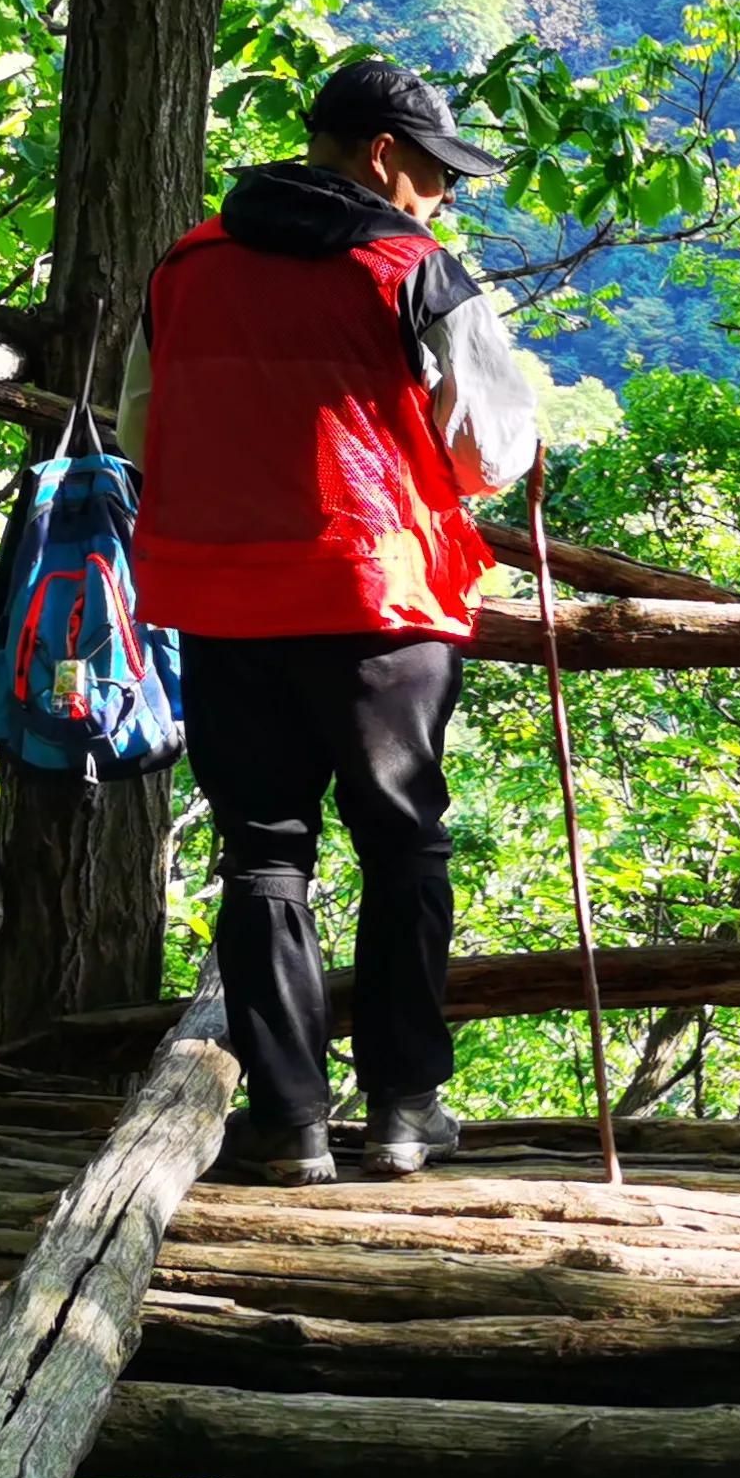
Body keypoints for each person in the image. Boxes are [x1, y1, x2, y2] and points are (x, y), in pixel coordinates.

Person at [121, 57, 538, 1186]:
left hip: (220, 601)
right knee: (402, 843)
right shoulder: (413, 269)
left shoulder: (186, 266)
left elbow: (139, 427)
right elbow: (491, 450)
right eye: (438, 174)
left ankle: (292, 1122)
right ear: (383, 156)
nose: (444, 196)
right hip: (375, 596)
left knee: (264, 855)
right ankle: (406, 1109)